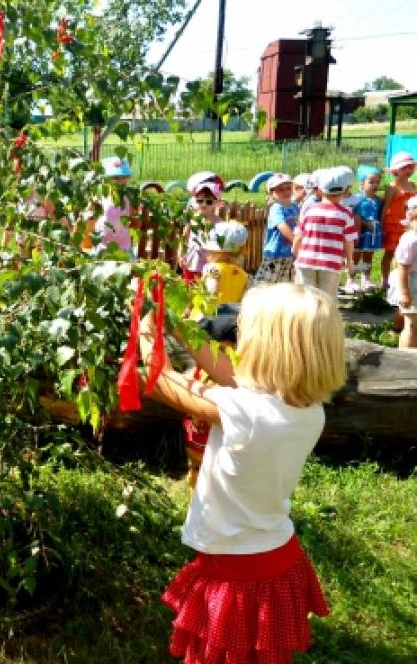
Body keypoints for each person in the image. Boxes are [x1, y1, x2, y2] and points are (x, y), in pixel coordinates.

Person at [141, 282, 344, 664]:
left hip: (234, 568)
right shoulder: (306, 408)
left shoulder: (244, 412)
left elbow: (162, 380)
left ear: (267, 349)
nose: (235, 339)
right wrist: (174, 321)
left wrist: (149, 321)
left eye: (244, 331)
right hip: (275, 556)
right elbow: (227, 374)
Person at [184, 220, 249, 487]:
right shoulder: (242, 274)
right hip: (231, 335)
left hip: (210, 330)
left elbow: (208, 299)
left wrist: (193, 315)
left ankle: (195, 463)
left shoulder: (213, 270)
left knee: (200, 379)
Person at [293, 167, 357, 298]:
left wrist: (294, 251)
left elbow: (299, 235)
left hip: (306, 260)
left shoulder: (309, 210)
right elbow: (349, 241)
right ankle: (323, 319)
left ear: (320, 190)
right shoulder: (346, 213)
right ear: (344, 191)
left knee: (305, 297)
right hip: (331, 262)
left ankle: (306, 319)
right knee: (326, 299)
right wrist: (349, 260)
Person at [380, 151, 417, 289]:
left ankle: (402, 279)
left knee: (407, 253)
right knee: (390, 252)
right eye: (404, 168)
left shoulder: (413, 186)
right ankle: (385, 279)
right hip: (394, 224)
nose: (408, 170)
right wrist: (382, 226)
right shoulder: (393, 187)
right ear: (396, 170)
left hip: (410, 225)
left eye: (410, 167)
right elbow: (385, 208)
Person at [84, 156, 133, 257]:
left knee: (127, 269)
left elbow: (132, 216)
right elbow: (88, 214)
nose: (120, 181)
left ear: (128, 178)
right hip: (102, 245)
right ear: (105, 179)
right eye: (115, 178)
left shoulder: (129, 196)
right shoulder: (101, 195)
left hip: (123, 245)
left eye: (123, 177)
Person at [254, 173, 298, 285]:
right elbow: (282, 226)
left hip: (290, 255)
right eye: (280, 190)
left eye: (288, 188)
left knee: (286, 285)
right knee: (266, 283)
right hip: (275, 254)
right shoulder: (276, 208)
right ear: (272, 193)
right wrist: (296, 241)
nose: (285, 192)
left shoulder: (295, 207)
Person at [180, 172, 223, 283]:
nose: (204, 204)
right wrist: (181, 254)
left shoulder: (219, 222)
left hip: (209, 263)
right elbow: (185, 236)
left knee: (206, 287)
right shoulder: (193, 218)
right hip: (192, 260)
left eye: (209, 201)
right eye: (200, 200)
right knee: (189, 286)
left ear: (216, 202)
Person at [387, 198, 417, 349]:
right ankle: (406, 359)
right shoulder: (411, 239)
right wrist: (405, 293)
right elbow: (403, 267)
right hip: (411, 282)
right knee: (411, 324)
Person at [350, 169, 384, 292]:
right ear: (362, 183)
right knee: (356, 256)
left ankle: (366, 278)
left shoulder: (379, 200)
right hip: (361, 232)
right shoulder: (357, 199)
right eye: (371, 182)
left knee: (369, 256)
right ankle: (351, 279)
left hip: (373, 233)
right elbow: (354, 215)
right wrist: (365, 223)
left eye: (377, 182)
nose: (375, 185)